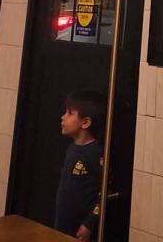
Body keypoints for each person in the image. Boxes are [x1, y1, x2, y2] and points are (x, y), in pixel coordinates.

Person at [55, 91, 105, 238]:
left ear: (85, 122)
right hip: (63, 223)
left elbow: (104, 192)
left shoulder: (95, 153)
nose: (63, 117)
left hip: (81, 228)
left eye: (69, 113)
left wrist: (90, 223)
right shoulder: (71, 149)